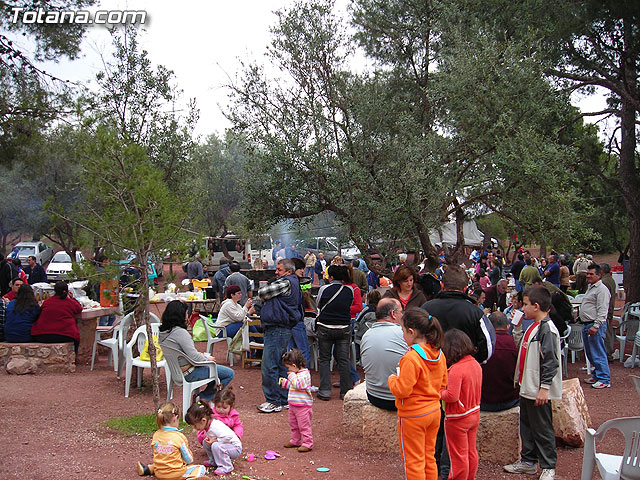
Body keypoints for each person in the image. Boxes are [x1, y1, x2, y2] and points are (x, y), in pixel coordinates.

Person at [504, 286, 561, 480]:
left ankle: (548, 466)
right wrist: (518, 328)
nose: (523, 308)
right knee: (527, 425)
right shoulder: (534, 327)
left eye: (526, 304)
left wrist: (544, 388)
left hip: (537, 388)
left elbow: (551, 361)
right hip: (527, 386)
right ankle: (528, 462)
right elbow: (523, 348)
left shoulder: (547, 330)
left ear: (536, 306)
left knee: (542, 427)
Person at [387, 308, 447, 480]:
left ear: (411, 332)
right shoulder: (439, 353)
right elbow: (443, 383)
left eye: (403, 331)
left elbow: (402, 390)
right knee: (429, 457)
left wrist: (392, 379)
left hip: (413, 415)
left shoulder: (411, 358)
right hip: (434, 411)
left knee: (414, 461)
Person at [158, 300, 234, 402]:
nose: (187, 315)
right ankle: (204, 397)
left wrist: (201, 355)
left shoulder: (163, 333)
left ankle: (203, 396)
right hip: (190, 372)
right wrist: (206, 358)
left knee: (217, 372)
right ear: (181, 315)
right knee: (228, 373)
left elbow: (186, 353)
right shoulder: (180, 333)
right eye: (186, 312)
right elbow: (194, 357)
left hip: (177, 371)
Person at [257, 258, 304, 413]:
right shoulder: (293, 282)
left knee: (269, 364)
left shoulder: (286, 282)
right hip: (282, 328)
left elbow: (262, 292)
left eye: (279, 270)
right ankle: (283, 399)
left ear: (289, 271)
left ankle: (273, 401)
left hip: (277, 328)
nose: (276, 272)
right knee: (280, 364)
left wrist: (266, 294)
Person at [421, 265, 490, 364]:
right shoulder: (475, 313)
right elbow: (486, 347)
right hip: (465, 369)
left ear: (442, 285)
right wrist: (473, 361)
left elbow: (416, 339)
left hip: (432, 368)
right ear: (465, 289)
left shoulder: (425, 309)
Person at [441, 329, 482, 480]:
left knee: (458, 456)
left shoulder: (457, 369)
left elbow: (451, 396)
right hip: (474, 413)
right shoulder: (475, 363)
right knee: (471, 452)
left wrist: (437, 391)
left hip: (458, 418)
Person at [136, 403, 208, 480]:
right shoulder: (179, 437)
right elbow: (189, 459)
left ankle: (147, 469)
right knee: (200, 468)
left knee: (161, 463)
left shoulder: (156, 435)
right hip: (176, 474)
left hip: (159, 473)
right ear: (175, 418)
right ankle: (191, 477)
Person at [360, 298, 408, 411]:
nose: (403, 315)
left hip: (373, 395)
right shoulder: (403, 334)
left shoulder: (366, 335)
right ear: (393, 314)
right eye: (401, 312)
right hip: (398, 399)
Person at [315, 264, 354, 401]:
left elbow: (318, 305)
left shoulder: (324, 289)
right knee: (343, 360)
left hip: (325, 327)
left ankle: (325, 390)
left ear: (331, 277)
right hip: (343, 328)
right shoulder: (350, 290)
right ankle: (346, 391)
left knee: (325, 359)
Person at [185, 402, 242, 476]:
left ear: (203, 421)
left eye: (195, 425)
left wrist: (215, 440)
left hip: (235, 448)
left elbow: (229, 437)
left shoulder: (215, 426)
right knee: (206, 442)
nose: (195, 428)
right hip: (225, 445)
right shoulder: (207, 426)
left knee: (215, 445)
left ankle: (227, 467)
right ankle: (214, 461)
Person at [579, 264, 611, 388]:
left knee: (598, 352)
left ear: (599, 275)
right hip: (587, 324)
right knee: (591, 353)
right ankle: (597, 375)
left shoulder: (602, 289)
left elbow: (603, 310)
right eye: (588, 273)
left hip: (594, 325)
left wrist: (596, 325)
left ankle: (604, 379)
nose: (588, 276)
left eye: (591, 274)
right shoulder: (591, 287)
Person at [481, 312, 519, 412]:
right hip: (511, 400)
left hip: (485, 401)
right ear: (508, 327)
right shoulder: (515, 344)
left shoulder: (483, 344)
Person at [31, 281, 82, 352]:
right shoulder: (70, 302)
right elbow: (79, 309)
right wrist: (72, 298)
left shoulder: (47, 301)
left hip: (42, 335)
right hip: (65, 334)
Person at [279, 349, 314, 452]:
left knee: (304, 426)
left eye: (289, 367)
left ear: (294, 366)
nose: (288, 370)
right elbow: (293, 385)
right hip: (293, 405)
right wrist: (285, 383)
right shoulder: (296, 374)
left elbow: (298, 385)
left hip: (303, 406)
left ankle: (308, 443)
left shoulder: (304, 374)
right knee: (293, 424)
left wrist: (291, 376)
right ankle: (295, 440)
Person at [599, 263, 617, 361]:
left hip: (606, 311)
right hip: (609, 310)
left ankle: (607, 354)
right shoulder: (610, 279)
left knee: (606, 334)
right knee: (607, 333)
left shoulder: (604, 282)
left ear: (601, 271)